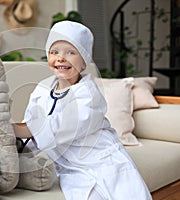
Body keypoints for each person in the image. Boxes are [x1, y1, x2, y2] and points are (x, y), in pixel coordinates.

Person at [13, 21, 152, 200]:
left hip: (96, 156)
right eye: (54, 52)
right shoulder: (42, 89)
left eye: (71, 52)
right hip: (62, 159)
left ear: (84, 61)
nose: (61, 58)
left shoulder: (89, 95)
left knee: (118, 191)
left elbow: (57, 127)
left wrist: (10, 128)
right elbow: (30, 121)